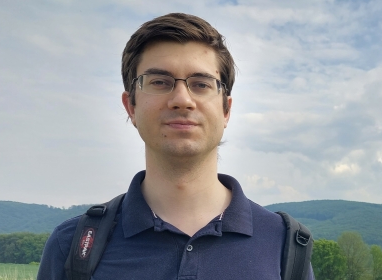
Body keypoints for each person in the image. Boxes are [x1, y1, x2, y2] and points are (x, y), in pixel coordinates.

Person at [37, 13, 314, 279]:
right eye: (159, 82)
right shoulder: (73, 247)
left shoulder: (285, 245)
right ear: (130, 106)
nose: (182, 99)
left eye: (201, 84)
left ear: (226, 110)